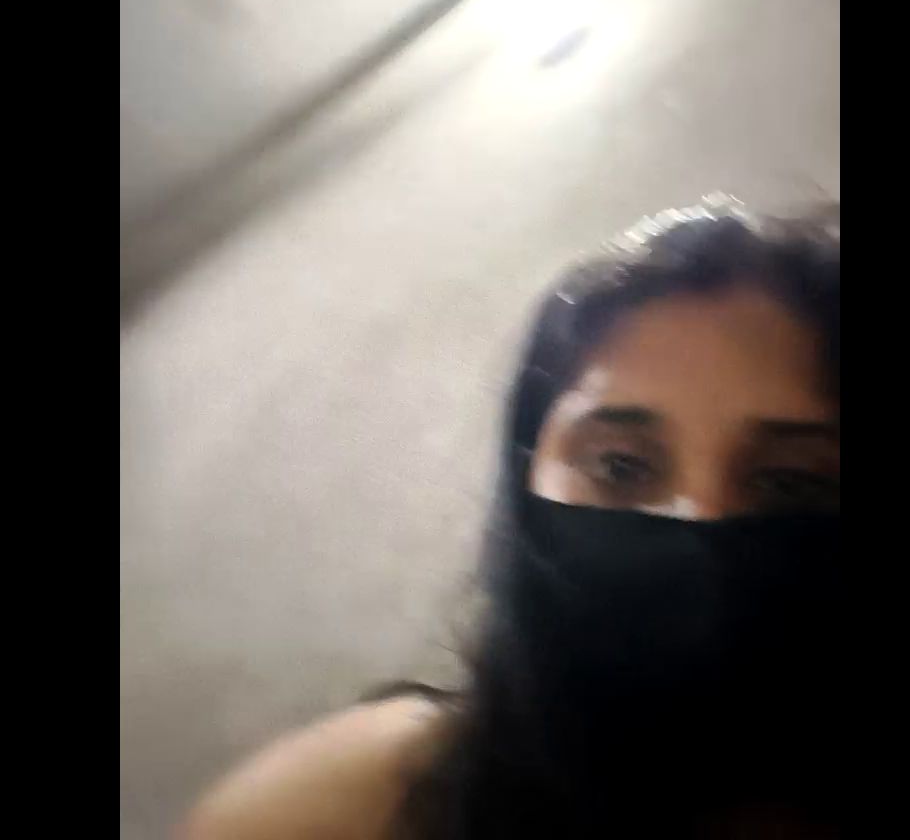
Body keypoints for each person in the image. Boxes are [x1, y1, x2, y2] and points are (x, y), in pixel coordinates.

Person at [183, 195, 841, 840]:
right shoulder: (346, 808)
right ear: (525, 479)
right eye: (621, 466)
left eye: (790, 482)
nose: (703, 520)